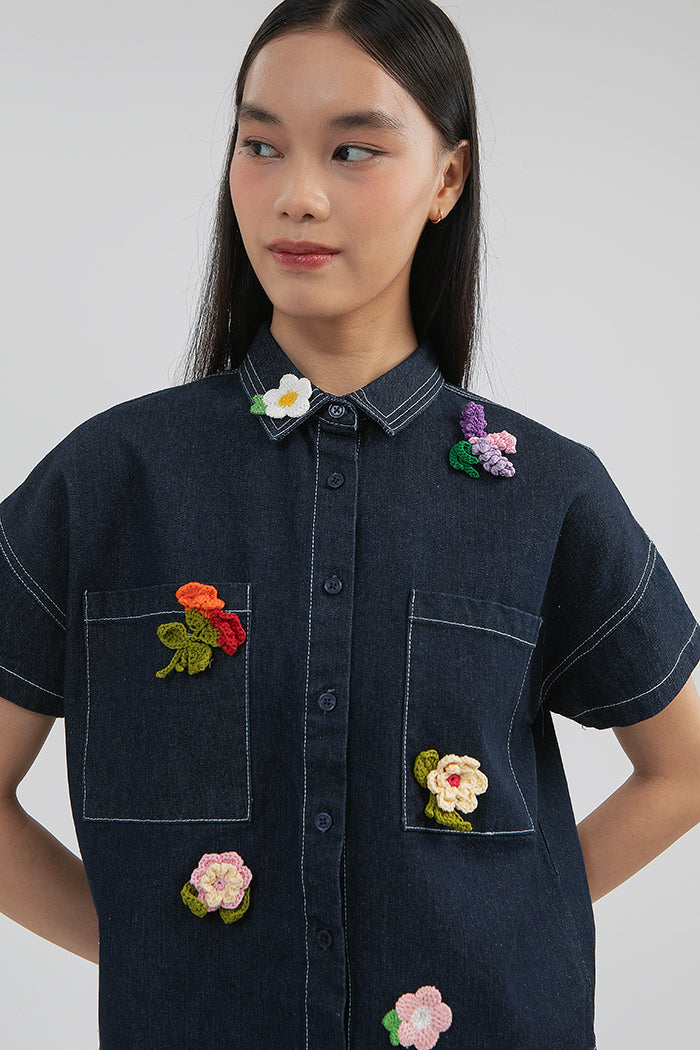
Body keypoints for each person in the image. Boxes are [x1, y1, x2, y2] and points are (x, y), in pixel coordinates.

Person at [1, 0, 699, 1047]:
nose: (298, 193)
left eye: (354, 149)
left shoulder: (546, 492)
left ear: (447, 180)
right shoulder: (109, 479)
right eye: (261, 145)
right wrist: (157, 947)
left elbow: (684, 766)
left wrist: (511, 923)